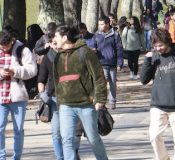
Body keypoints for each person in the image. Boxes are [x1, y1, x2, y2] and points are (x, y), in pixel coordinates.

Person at [52, 25, 109, 159]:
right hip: (66, 105)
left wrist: (100, 99)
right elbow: (57, 82)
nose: (54, 39)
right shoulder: (57, 57)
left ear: (65, 38)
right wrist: (59, 104)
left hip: (86, 104)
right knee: (67, 140)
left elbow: (98, 76)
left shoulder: (85, 52)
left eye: (56, 36)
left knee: (93, 138)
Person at [0, 29, 37, 160]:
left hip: (18, 97)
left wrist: (15, 71)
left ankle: (17, 156)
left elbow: (32, 69)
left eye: (7, 46)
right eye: (2, 46)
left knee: (18, 129)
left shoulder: (22, 50)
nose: (4, 49)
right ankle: (1, 157)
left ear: (12, 41)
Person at [141, 28, 175, 160]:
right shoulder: (154, 56)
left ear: (167, 43)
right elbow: (144, 80)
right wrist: (147, 61)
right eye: (155, 46)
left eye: (161, 45)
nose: (158, 48)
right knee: (154, 136)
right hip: (158, 104)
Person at [92, 16, 124, 110]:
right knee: (103, 83)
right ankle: (102, 102)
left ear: (107, 24)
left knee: (113, 83)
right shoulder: (97, 35)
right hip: (101, 63)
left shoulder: (115, 34)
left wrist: (119, 63)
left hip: (113, 63)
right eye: (99, 24)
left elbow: (119, 49)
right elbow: (93, 46)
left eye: (102, 24)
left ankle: (112, 102)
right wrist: (93, 50)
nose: (100, 26)